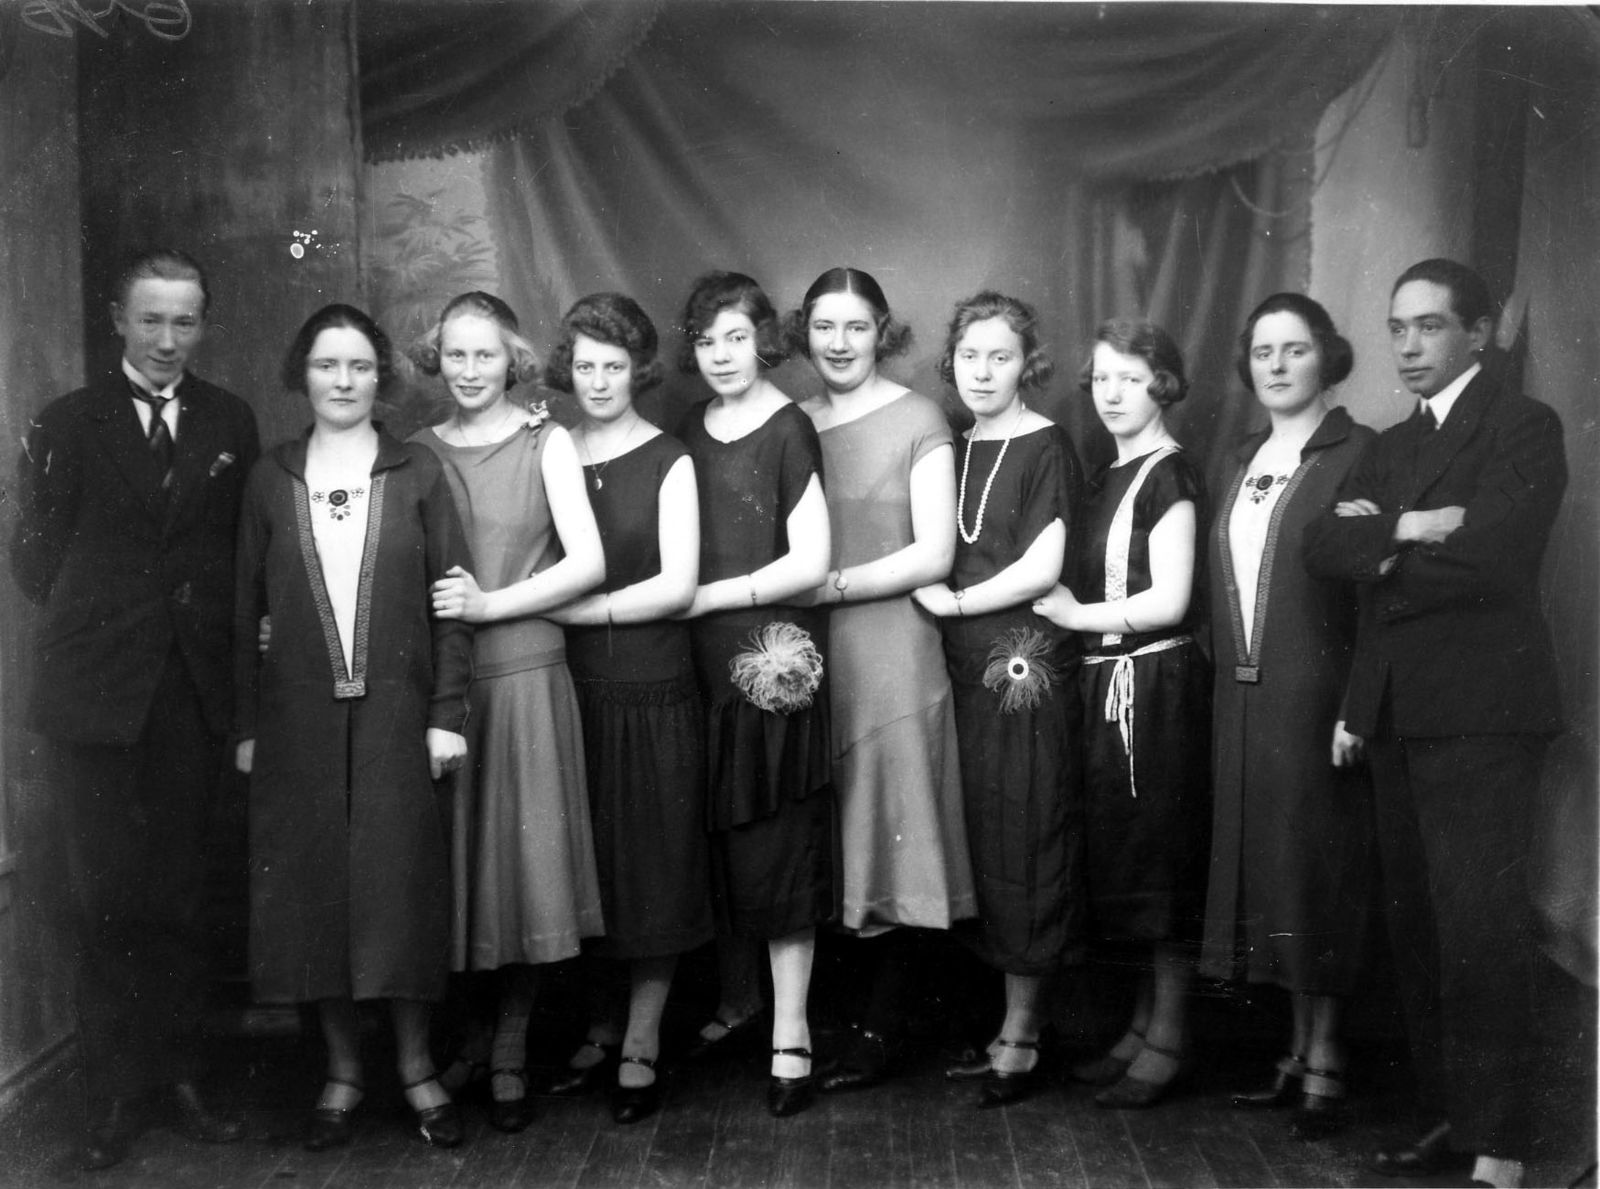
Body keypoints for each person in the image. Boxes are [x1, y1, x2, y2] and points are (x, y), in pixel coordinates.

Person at [1304, 259, 1566, 1189]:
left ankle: (1503, 1142)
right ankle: (1453, 1116)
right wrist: (1414, 528)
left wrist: (1380, 538)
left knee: (1479, 927)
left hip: (1483, 712)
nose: (1408, 346)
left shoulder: (1523, 425)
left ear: (1479, 332)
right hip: (1398, 713)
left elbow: (1494, 558)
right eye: (1397, 328)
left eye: (1430, 326)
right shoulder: (1395, 441)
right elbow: (1323, 543)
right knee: (1417, 928)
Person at [11, 249, 257, 1171]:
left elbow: (236, 550)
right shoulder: (68, 422)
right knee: (105, 894)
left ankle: (182, 1077)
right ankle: (116, 1092)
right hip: (95, 698)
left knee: (183, 891)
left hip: (192, 693)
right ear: (118, 319)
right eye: (150, 319)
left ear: (203, 325)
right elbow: (36, 562)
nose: (166, 339)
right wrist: (113, 627)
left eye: (184, 321)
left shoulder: (229, 418)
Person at [234, 304, 473, 1150]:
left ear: (382, 377)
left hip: (398, 720)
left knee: (399, 891)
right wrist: (247, 726)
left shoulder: (418, 470)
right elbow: (243, 612)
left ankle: (416, 1067)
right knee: (315, 896)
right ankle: (341, 1072)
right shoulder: (270, 477)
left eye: (360, 366)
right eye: (327, 365)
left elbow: (452, 604)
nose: (344, 381)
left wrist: (446, 715)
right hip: (295, 725)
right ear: (302, 375)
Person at [410, 291, 606, 1133]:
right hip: (443, 685)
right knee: (458, 872)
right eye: (455, 353)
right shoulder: (414, 452)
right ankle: (470, 1036)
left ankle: (512, 1044)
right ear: (437, 358)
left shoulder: (544, 440)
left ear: (513, 360)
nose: (469, 369)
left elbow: (588, 563)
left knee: (524, 876)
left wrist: (492, 605)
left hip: (525, 673)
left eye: (485, 354)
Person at [789, 267, 975, 1093]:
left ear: (882, 332)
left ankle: (879, 1029)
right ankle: (836, 1021)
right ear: (804, 333)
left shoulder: (919, 417)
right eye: (824, 326)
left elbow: (933, 553)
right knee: (832, 834)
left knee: (894, 835)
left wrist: (827, 585)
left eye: (856, 327)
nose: (839, 343)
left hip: (893, 649)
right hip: (807, 654)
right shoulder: (792, 421)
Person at [1198, 293, 1377, 1138]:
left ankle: (1329, 1053)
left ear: (1327, 357)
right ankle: (1297, 1049)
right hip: (1244, 697)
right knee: (1272, 869)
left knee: (1317, 866)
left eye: (1294, 349)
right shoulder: (1239, 457)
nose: (1275, 365)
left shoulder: (1360, 453)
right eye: (1262, 350)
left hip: (1317, 694)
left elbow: (1376, 596)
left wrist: (1358, 703)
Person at [540, 292, 712, 1125]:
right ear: (566, 369)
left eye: (614, 366)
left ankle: (643, 1036)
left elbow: (679, 585)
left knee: (653, 864)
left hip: (650, 687)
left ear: (639, 370)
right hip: (567, 686)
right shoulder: (547, 448)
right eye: (585, 365)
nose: (599, 381)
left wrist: (584, 610)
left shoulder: (669, 456)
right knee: (592, 864)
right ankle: (604, 1022)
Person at [913, 290, 1084, 1109]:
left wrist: (955, 603)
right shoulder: (954, 444)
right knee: (983, 836)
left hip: (1021, 672)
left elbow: (1043, 564)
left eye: (1001, 357)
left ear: (1027, 365)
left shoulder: (1047, 443)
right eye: (969, 356)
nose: (982, 372)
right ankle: (1005, 1019)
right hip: (961, 670)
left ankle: (1023, 1029)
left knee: (1027, 834)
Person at [1034, 317, 1209, 1110]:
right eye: (1101, 377)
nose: (1111, 393)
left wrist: (1076, 617)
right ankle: (1140, 1026)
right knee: (1130, 864)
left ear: (1162, 386)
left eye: (1130, 379)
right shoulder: (1107, 474)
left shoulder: (1171, 474)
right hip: (1110, 685)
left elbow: (1171, 598)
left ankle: (1169, 1037)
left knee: (1160, 862)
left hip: (1157, 686)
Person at [676, 271, 834, 1117]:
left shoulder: (789, 427)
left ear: (764, 340)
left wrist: (711, 595)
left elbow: (810, 563)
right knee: (720, 846)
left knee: (778, 849)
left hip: (770, 663)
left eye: (736, 337)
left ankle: (791, 1034)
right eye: (706, 341)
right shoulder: (687, 430)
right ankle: (739, 1003)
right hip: (697, 666)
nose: (721, 355)